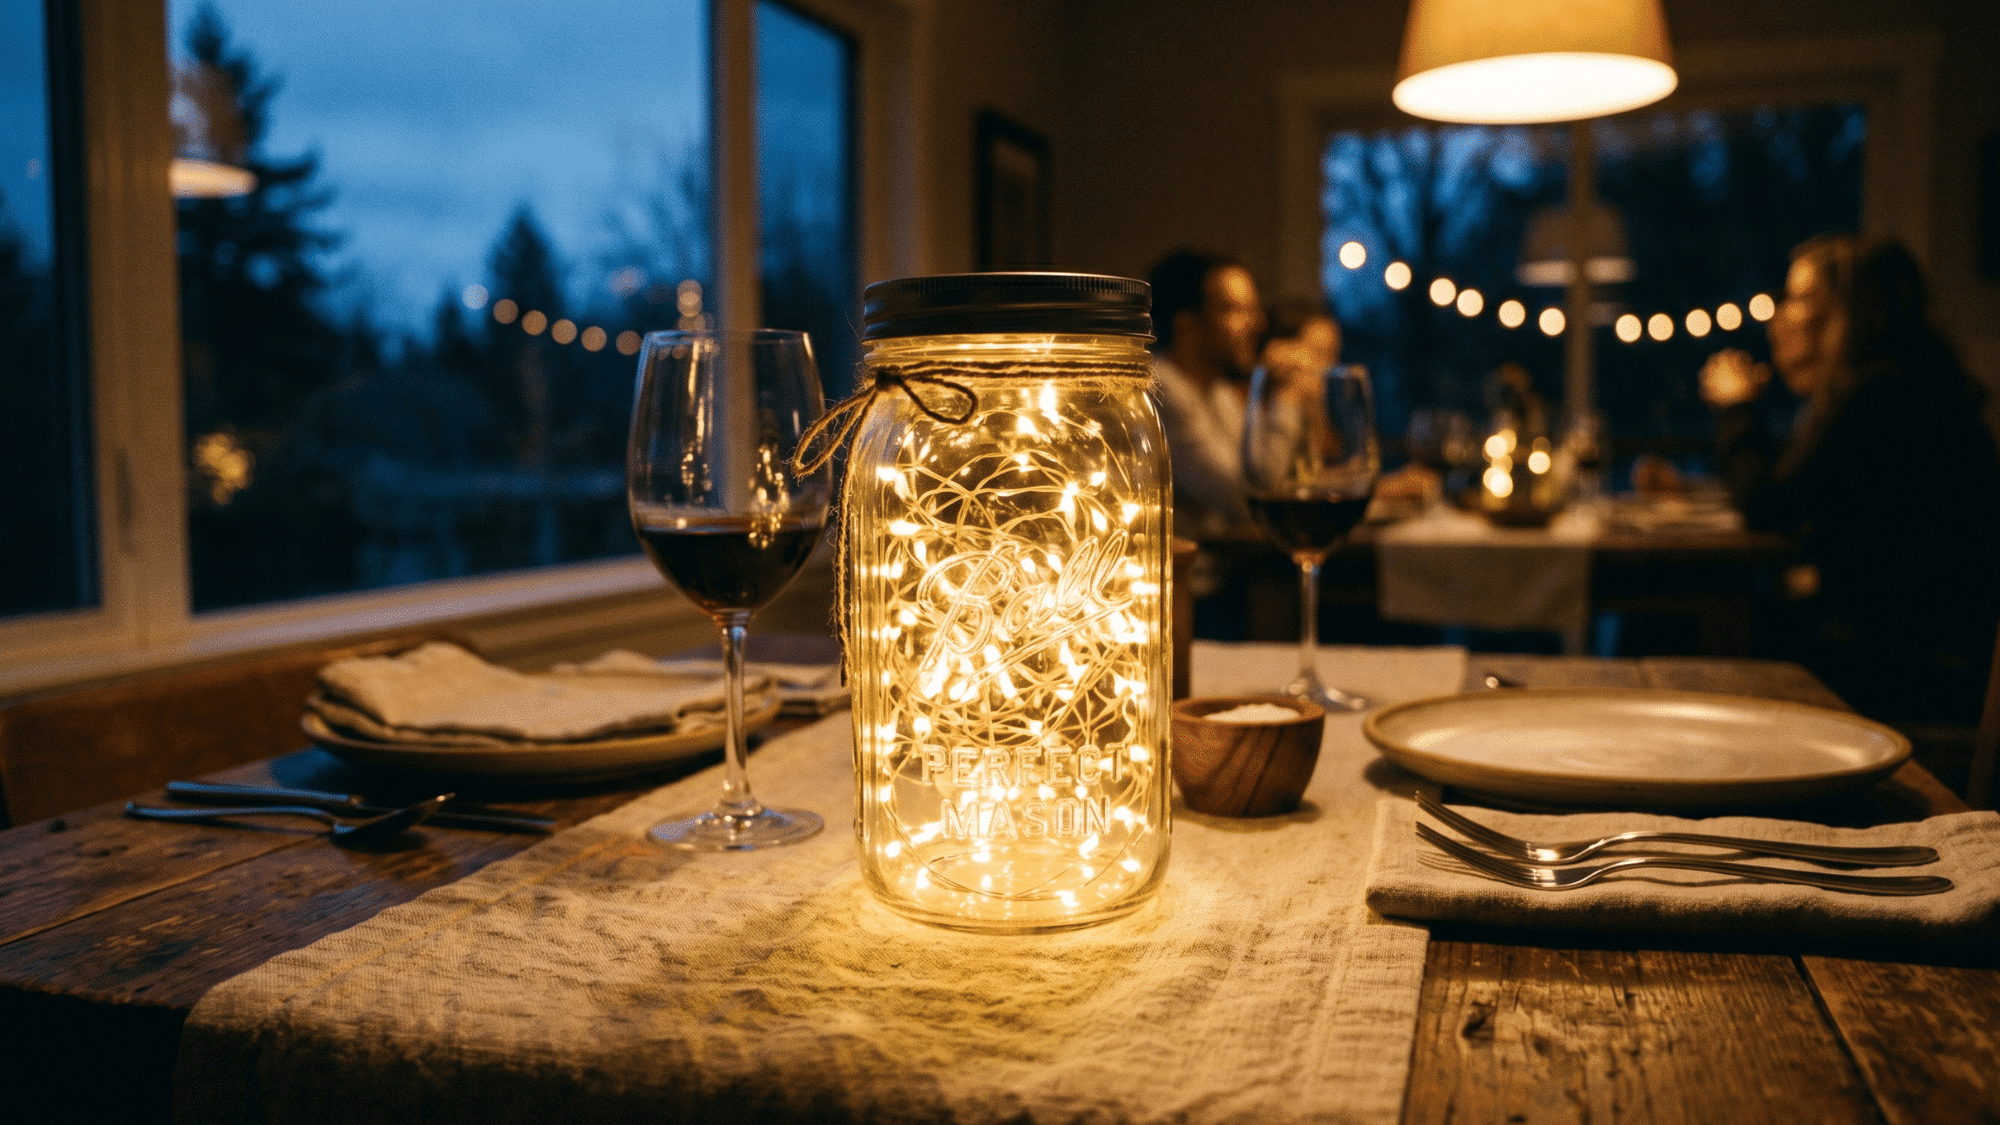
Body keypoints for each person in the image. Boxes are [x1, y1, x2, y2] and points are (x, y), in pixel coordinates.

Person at [1696, 234, 2000, 724]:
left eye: (1797, 298)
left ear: (1847, 311)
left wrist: (1737, 410)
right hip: (1924, 646)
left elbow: (1769, 504)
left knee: (1686, 634)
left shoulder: (1879, 398)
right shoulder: (1910, 387)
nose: (1780, 316)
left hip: (1907, 666)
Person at [1147, 249, 1266, 537]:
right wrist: (1287, 399)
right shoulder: (1159, 389)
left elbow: (1266, 478)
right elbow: (1245, 500)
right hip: (1184, 579)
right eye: (1235, 310)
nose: (1256, 323)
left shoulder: (1218, 391)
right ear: (1187, 324)